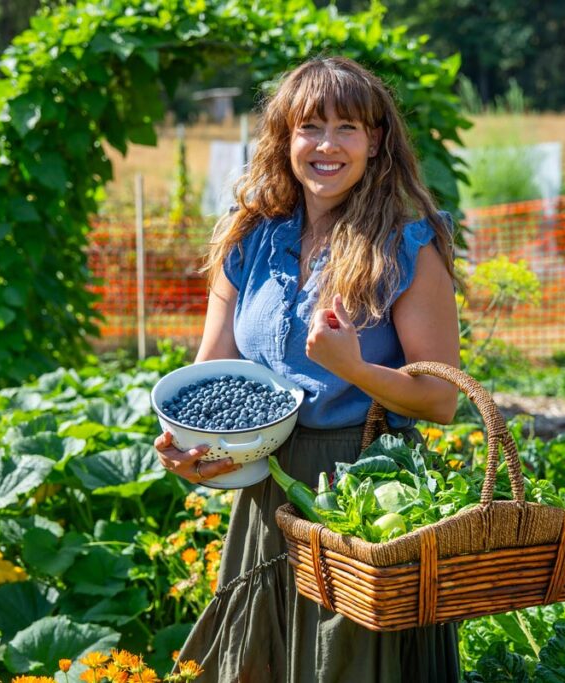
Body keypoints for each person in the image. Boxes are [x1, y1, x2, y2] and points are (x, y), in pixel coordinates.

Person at [154, 56, 461, 683]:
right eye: (309, 127)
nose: (327, 145)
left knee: (345, 666)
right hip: (266, 488)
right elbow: (210, 373)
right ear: (284, 138)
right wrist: (189, 447)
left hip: (365, 492)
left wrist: (353, 367)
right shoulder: (249, 239)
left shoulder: (406, 246)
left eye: (347, 127)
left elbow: (439, 400)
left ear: (375, 142)